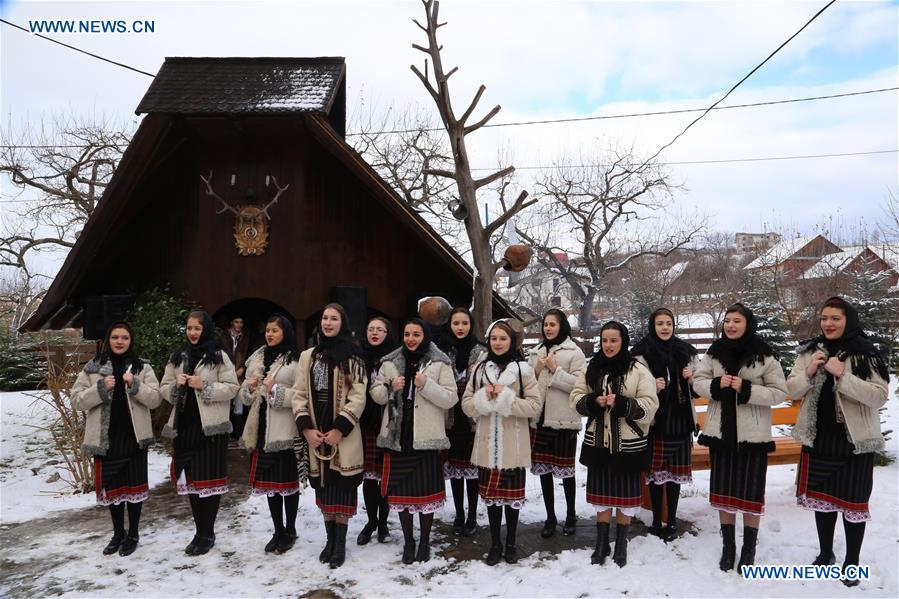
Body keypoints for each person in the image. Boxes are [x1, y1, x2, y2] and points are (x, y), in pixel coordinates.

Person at [788, 296, 889, 586]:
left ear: (848, 320)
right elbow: (791, 390)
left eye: (835, 318)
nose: (828, 324)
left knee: (853, 504)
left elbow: (878, 396)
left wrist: (842, 375)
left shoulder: (865, 353)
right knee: (823, 501)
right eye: (824, 318)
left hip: (854, 442)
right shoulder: (810, 351)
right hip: (819, 438)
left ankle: (852, 563)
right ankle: (825, 554)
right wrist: (809, 371)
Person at [693, 303, 787, 571]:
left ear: (748, 324)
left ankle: (749, 547)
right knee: (723, 492)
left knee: (751, 494)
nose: (730, 325)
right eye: (727, 321)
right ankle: (729, 546)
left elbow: (779, 392)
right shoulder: (715, 352)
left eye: (737, 321)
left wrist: (747, 389)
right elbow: (698, 381)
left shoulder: (764, 354)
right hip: (721, 435)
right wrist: (715, 385)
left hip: (752, 437)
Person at [570, 321, 658, 567]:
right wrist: (593, 401)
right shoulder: (591, 367)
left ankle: (621, 543)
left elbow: (651, 405)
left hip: (628, 445)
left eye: (613, 340)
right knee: (602, 495)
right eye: (605, 340)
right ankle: (601, 543)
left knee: (625, 497)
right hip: (598, 442)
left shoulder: (638, 370)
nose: (608, 345)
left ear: (623, 341)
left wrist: (622, 404)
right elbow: (575, 398)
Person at [371, 318, 457, 563]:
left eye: (416, 334)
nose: (411, 339)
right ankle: (409, 542)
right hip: (398, 436)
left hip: (425, 436)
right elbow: (376, 394)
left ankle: (425, 541)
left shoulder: (440, 362)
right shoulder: (389, 362)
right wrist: (391, 387)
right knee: (402, 495)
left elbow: (450, 398)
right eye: (407, 334)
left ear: (425, 336)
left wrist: (426, 384)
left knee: (425, 494)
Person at [72, 321, 161, 556]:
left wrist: (136, 384)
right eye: (115, 337)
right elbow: (76, 400)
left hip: (134, 437)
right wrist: (100, 388)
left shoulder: (142, 367)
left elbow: (155, 399)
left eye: (124, 337)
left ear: (131, 340)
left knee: (133, 487)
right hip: (106, 439)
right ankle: (118, 533)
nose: (120, 341)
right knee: (113, 488)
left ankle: (133, 534)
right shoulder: (93, 367)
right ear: (107, 340)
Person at [292, 303, 367, 569]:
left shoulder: (353, 355)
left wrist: (339, 429)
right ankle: (329, 539)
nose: (328, 322)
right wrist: (306, 429)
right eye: (324, 318)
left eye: (334, 318)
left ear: (342, 323)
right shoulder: (308, 356)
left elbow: (358, 396)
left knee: (342, 489)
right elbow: (299, 393)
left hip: (342, 433)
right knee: (324, 488)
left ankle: (340, 543)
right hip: (316, 431)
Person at [461, 320, 541, 566]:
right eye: (494, 338)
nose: (497, 343)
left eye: (503, 338)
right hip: (487, 443)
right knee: (492, 500)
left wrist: (506, 397)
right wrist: (483, 398)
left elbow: (534, 406)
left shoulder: (523, 370)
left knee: (511, 500)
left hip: (513, 444)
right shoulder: (480, 369)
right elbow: (466, 404)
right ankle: (495, 543)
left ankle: (511, 543)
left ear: (512, 342)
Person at [160, 310, 239, 556]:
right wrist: (176, 386)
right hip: (185, 428)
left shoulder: (218, 355)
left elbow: (232, 388)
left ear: (206, 329)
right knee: (192, 482)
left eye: (197, 328)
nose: (193, 333)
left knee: (210, 483)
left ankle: (208, 533)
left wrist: (203, 385)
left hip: (211, 429)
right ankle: (199, 531)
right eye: (189, 328)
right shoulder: (177, 356)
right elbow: (164, 387)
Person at [630, 308, 700, 542]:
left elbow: (699, 388)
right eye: (660, 323)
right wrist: (652, 385)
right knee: (656, 473)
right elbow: (633, 386)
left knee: (674, 475)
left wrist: (691, 378)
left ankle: (671, 521)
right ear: (653, 325)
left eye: (668, 323)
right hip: (656, 421)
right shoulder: (640, 353)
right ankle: (656, 520)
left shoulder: (686, 351)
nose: (665, 327)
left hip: (680, 420)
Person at [239, 314, 302, 554]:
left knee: (287, 483)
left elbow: (302, 394)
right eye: (268, 330)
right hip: (262, 429)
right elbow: (244, 395)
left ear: (285, 332)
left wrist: (276, 390)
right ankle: (278, 530)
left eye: (275, 330)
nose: (270, 334)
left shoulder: (294, 359)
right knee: (271, 486)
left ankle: (290, 529)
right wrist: (250, 388)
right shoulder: (257, 357)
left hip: (284, 430)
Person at [528, 308, 586, 538]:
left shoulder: (574, 352)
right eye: (546, 324)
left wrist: (555, 370)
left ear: (562, 326)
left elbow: (580, 385)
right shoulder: (536, 352)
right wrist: (537, 369)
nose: (548, 328)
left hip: (564, 421)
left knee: (566, 473)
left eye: (553, 324)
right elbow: (525, 385)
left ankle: (571, 514)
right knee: (544, 473)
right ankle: (550, 516)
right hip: (540, 421)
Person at [436, 306, 487, 537]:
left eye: (464, 323)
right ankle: (458, 513)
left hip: (472, 418)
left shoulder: (480, 351)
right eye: (456, 323)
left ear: (471, 325)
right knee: (456, 469)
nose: (460, 327)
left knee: (471, 470)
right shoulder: (441, 351)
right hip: (450, 416)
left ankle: (472, 515)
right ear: (450, 325)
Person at [356, 316, 397, 545]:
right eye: (371, 329)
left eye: (379, 329)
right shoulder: (359, 357)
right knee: (369, 478)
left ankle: (383, 523)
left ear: (387, 333)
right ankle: (371, 522)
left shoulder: (395, 358)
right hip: (364, 423)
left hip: (386, 422)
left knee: (385, 476)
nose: (374, 333)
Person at [221, 315, 252, 440]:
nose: (239, 324)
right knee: (226, 401)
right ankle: (226, 433)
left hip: (240, 373)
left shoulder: (246, 337)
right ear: (231, 323)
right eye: (236, 322)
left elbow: (250, 354)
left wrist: (243, 369)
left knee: (239, 402)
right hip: (225, 373)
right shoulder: (223, 336)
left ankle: (237, 433)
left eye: (241, 322)